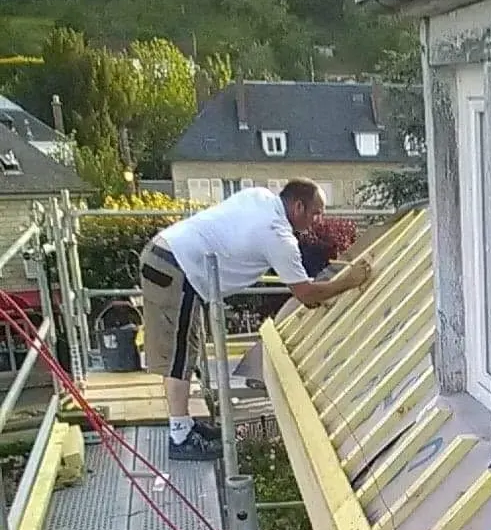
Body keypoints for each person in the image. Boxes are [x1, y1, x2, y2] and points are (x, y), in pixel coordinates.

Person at [139, 179, 372, 459]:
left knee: (187, 348)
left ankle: (185, 425)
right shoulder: (277, 236)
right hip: (176, 265)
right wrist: (349, 281)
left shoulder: (260, 197)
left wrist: (308, 292)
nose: (317, 220)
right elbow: (306, 293)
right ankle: (179, 438)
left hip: (172, 256)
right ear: (298, 206)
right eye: (316, 212)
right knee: (178, 355)